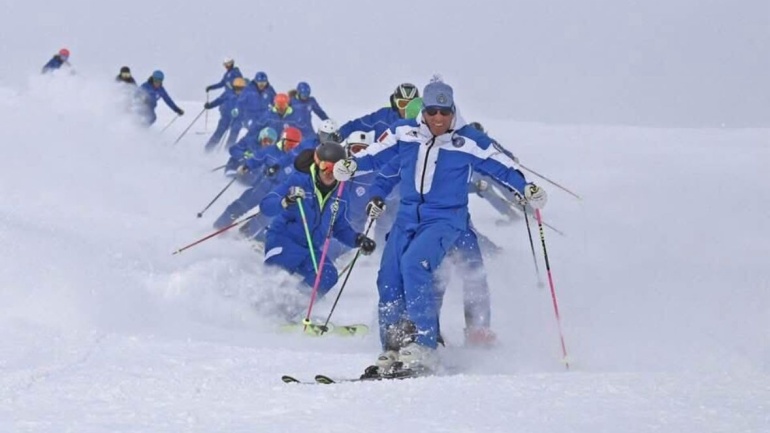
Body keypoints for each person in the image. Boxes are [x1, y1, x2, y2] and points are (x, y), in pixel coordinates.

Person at [332, 77, 548, 372]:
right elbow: (376, 155)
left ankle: (425, 344)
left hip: (445, 217)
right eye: (432, 111)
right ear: (423, 111)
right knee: (389, 275)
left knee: (414, 264)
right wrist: (352, 164)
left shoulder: (467, 141)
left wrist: (526, 189)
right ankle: (395, 346)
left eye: (444, 113)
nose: (437, 118)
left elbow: (503, 164)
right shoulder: (404, 133)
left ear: (453, 112)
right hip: (408, 215)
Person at [260, 142, 376, 303]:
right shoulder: (299, 181)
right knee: (280, 275)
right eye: (324, 166)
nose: (329, 172)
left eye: (334, 168)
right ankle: (263, 307)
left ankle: (293, 307)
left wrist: (358, 239)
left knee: (327, 275)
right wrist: (285, 201)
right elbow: (266, 206)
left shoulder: (341, 194)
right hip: (283, 240)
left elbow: (339, 227)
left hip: (310, 249)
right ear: (317, 163)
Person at [338, 83, 420, 140]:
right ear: (395, 103)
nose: (406, 108)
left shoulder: (422, 121)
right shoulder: (383, 117)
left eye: (411, 104)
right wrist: (340, 134)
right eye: (402, 103)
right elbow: (358, 124)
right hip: (380, 162)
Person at [229, 71, 277, 143]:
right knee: (253, 130)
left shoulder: (269, 90)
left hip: (264, 115)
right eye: (260, 83)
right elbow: (240, 101)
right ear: (256, 81)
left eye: (264, 83)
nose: (262, 85)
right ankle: (231, 147)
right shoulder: (248, 90)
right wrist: (236, 109)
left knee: (266, 132)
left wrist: (277, 108)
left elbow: (275, 100)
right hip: (250, 115)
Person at [203, 77, 247, 151]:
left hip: (238, 119)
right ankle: (208, 149)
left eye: (240, 89)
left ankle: (227, 152)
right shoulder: (228, 94)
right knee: (218, 133)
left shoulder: (246, 97)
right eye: (236, 88)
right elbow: (219, 100)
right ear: (233, 87)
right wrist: (210, 105)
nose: (238, 90)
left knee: (233, 134)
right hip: (226, 117)